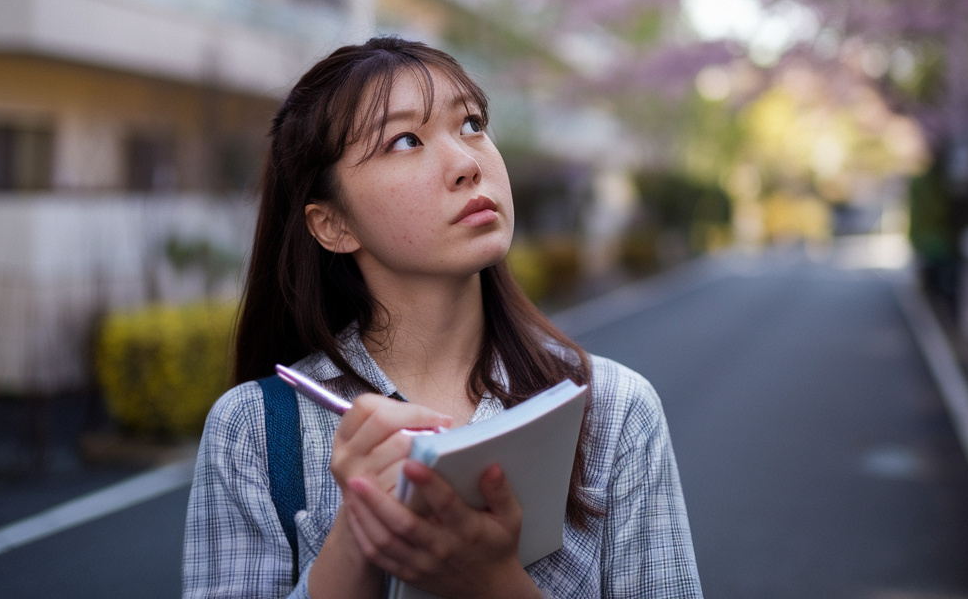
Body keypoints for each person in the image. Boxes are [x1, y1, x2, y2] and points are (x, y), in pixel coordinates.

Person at [183, 37, 702, 599]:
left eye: (472, 123)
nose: (465, 163)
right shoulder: (256, 431)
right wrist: (355, 546)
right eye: (405, 140)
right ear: (332, 224)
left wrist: (493, 585)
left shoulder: (611, 409)